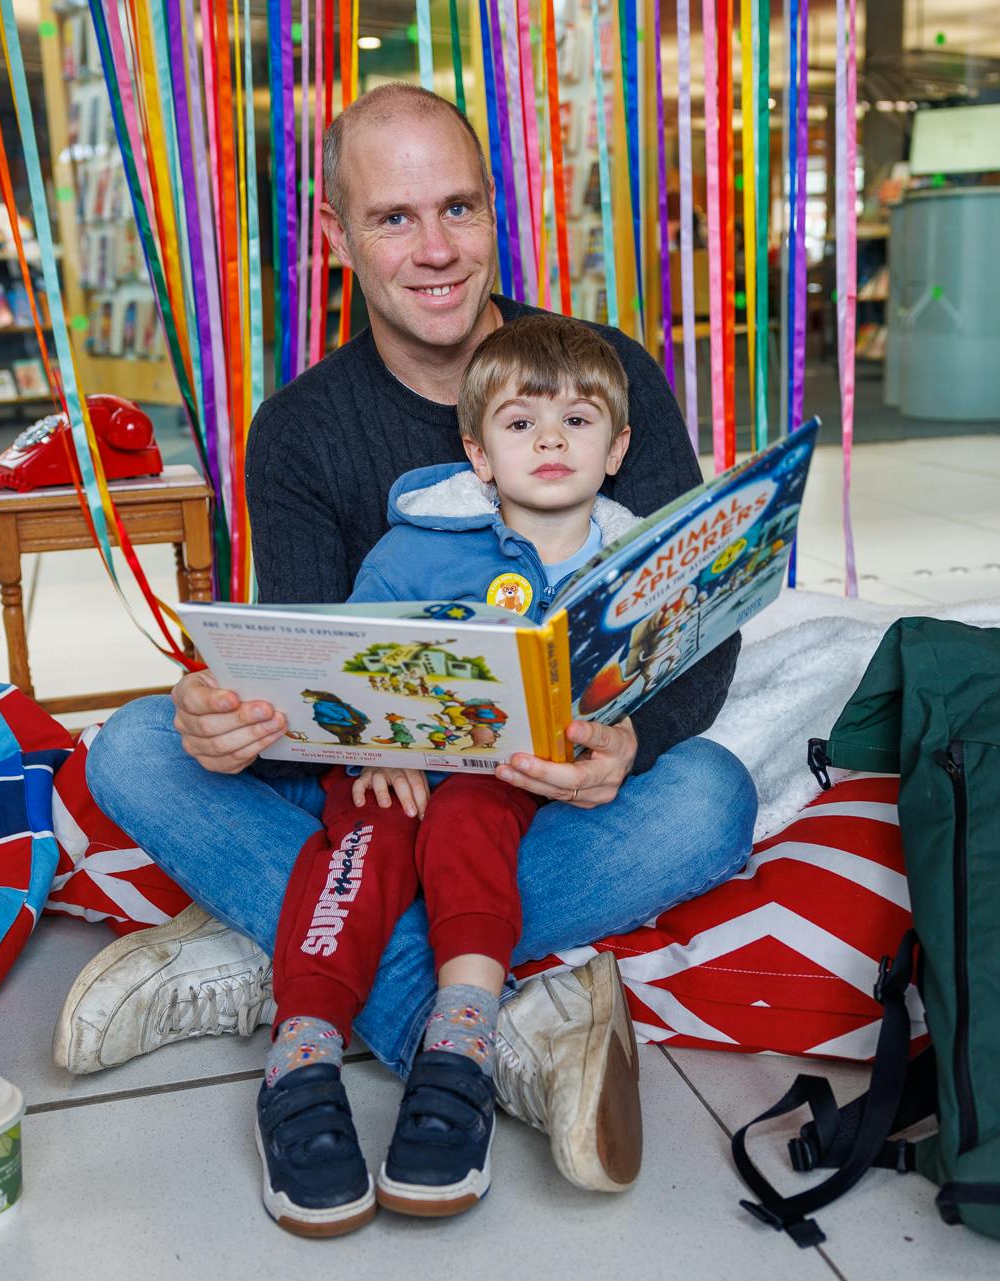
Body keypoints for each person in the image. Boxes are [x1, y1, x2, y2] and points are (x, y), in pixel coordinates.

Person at [63, 83, 755, 1200]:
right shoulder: (300, 429)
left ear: (496, 215)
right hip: (384, 800)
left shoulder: (601, 375)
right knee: (139, 747)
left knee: (712, 797)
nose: (435, 250)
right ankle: (492, 1035)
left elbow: (700, 635)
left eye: (460, 209)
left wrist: (633, 740)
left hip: (548, 785)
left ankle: (280, 956)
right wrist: (238, 722)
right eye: (394, 218)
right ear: (338, 237)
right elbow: (311, 703)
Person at [257, 316, 642, 1235]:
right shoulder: (411, 550)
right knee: (363, 828)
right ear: (477, 451)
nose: (550, 440)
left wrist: (618, 733)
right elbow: (344, 666)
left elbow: (648, 680)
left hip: (524, 789)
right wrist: (375, 746)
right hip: (394, 768)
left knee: (488, 811)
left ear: (619, 448)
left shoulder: (633, 564)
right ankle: (303, 1047)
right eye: (520, 424)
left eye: (579, 421)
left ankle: (461, 1034)